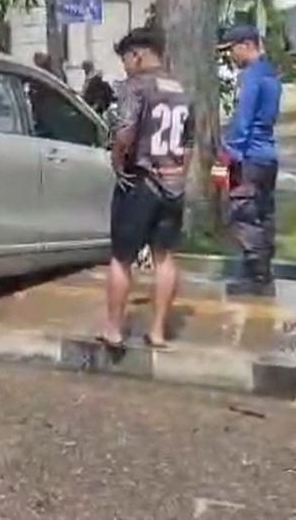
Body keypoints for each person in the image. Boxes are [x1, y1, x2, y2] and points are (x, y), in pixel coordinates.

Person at [98, 26, 194, 349]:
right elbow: (189, 143)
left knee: (121, 257)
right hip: (173, 183)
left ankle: (113, 329)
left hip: (140, 180)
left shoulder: (135, 87)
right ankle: (157, 331)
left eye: (126, 59)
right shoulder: (181, 89)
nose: (125, 66)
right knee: (164, 257)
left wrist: (116, 159)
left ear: (137, 55)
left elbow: (125, 131)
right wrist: (179, 176)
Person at [218, 25, 283, 295]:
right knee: (264, 215)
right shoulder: (272, 74)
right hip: (267, 154)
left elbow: (243, 120)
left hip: (250, 157)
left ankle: (256, 276)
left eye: (231, 49)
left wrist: (228, 153)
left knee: (244, 215)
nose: (230, 56)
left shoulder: (252, 77)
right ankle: (263, 271)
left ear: (246, 45)